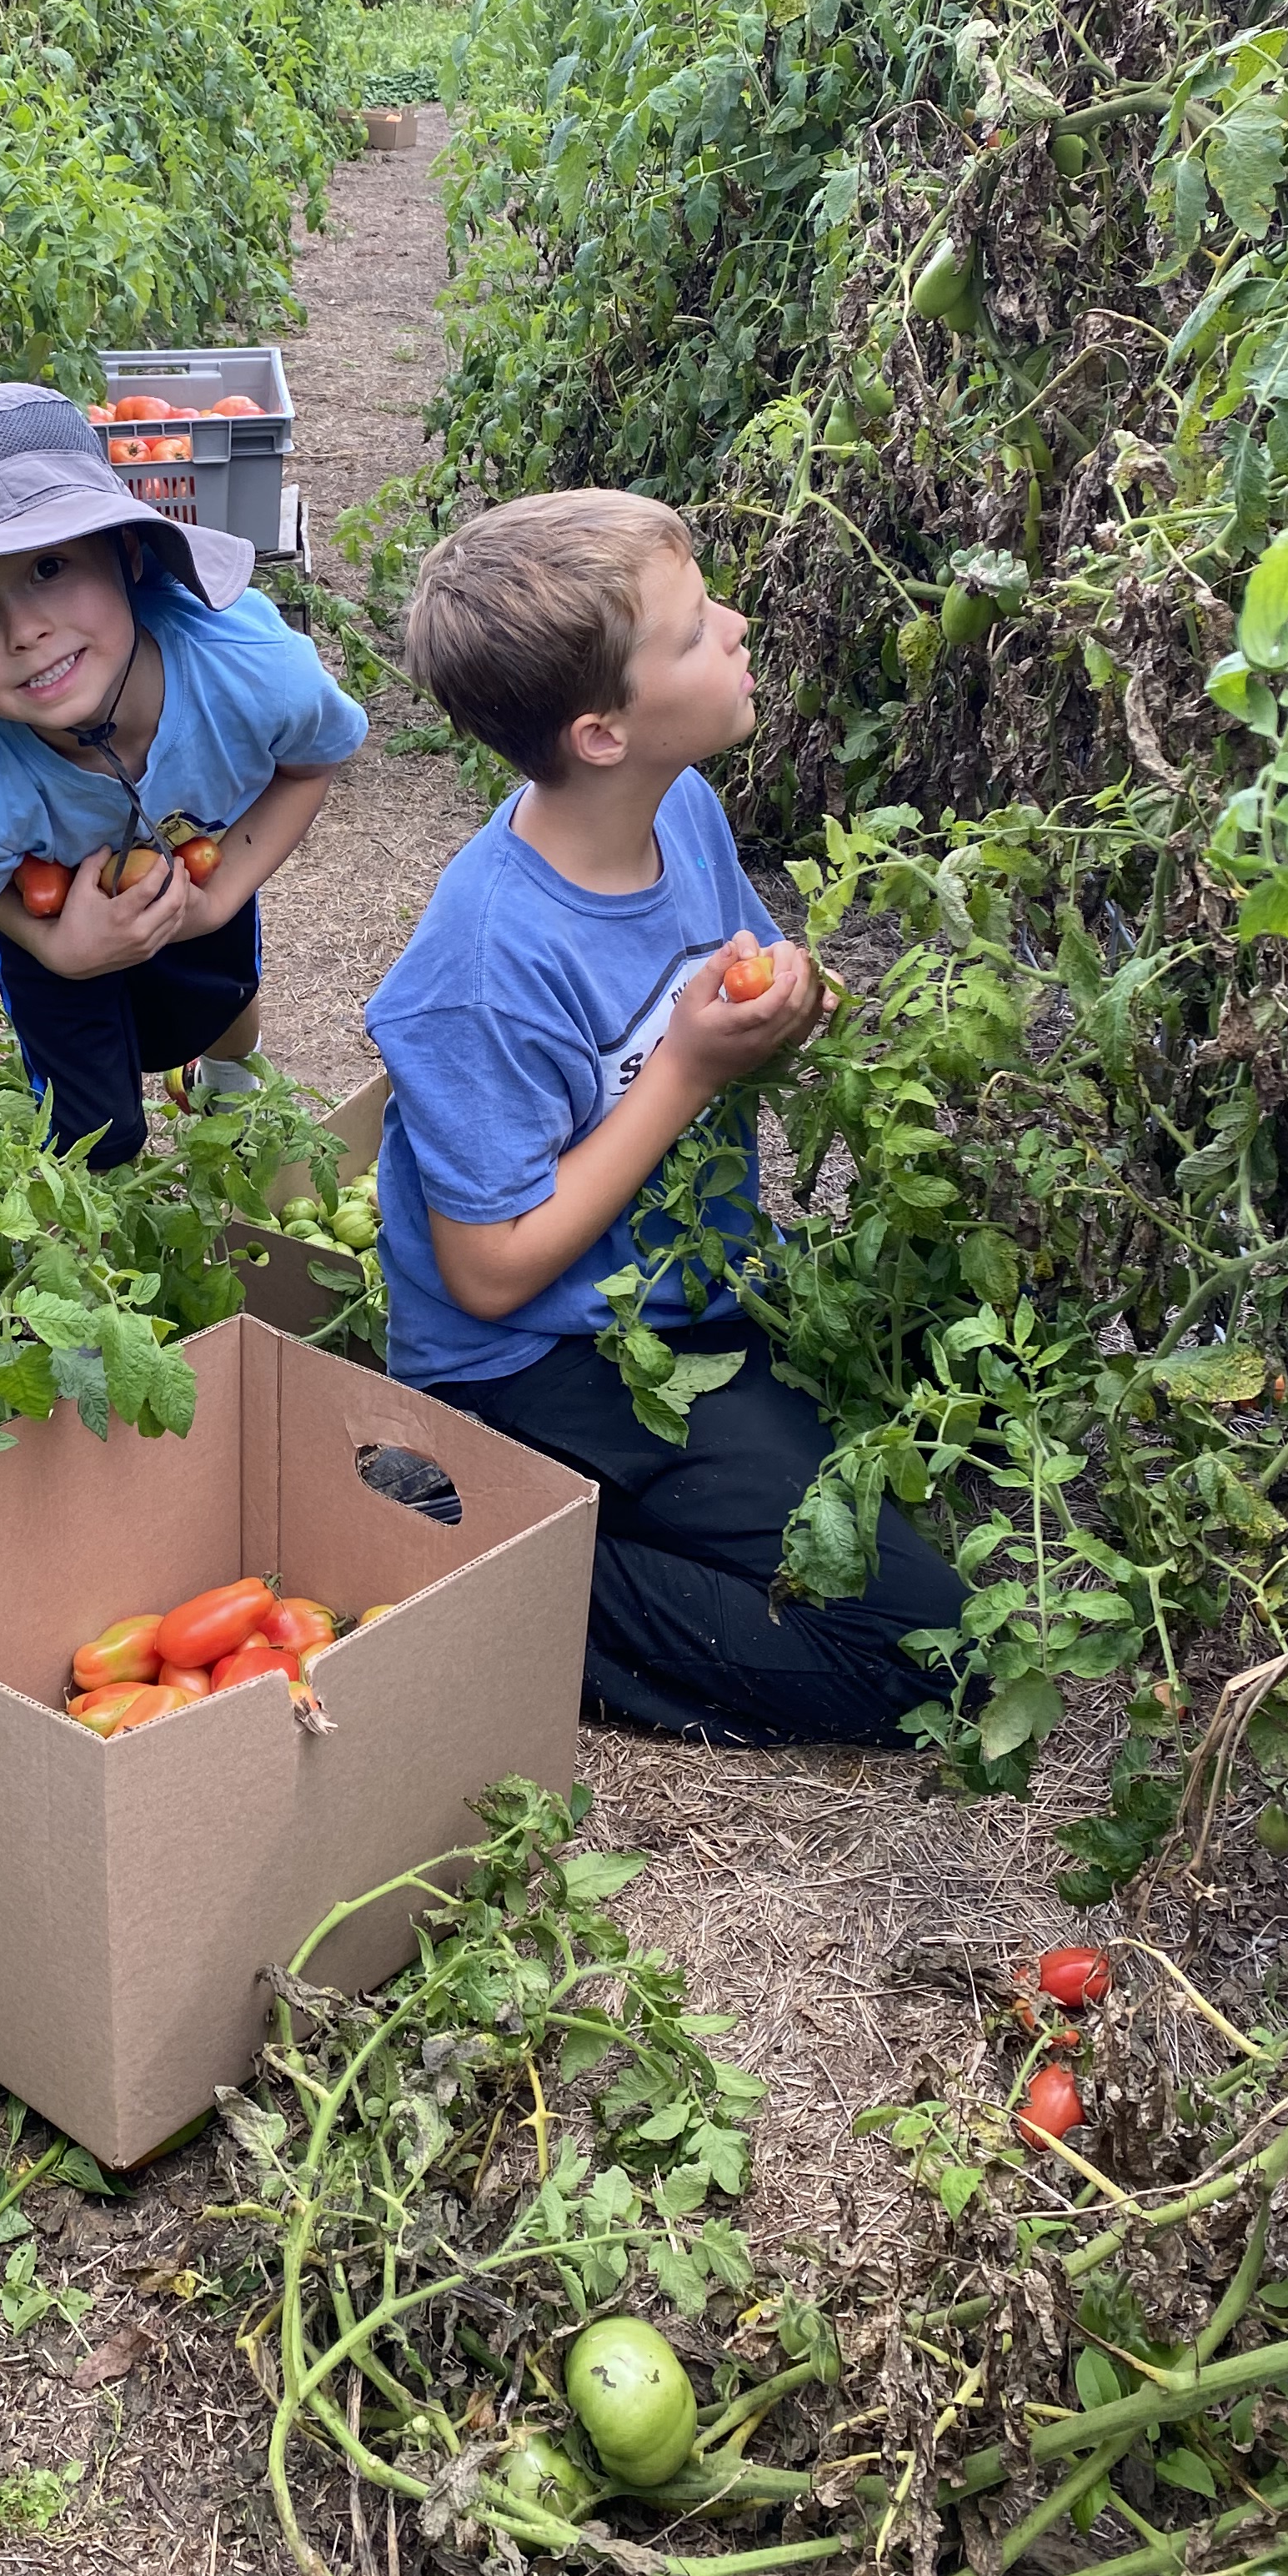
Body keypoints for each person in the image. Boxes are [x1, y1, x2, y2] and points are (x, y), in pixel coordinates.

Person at [363, 487, 966, 1746]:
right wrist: (687, 1072)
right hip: (535, 1362)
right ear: (599, 731)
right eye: (694, 633)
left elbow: (721, 976)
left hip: (680, 1309)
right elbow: (488, 1272)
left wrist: (790, 998)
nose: (739, 628)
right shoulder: (485, 964)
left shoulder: (677, 808)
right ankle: (479, 1571)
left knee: (902, 1577)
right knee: (924, 1656)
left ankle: (543, 1520)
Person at [0, 381, 365, 1166]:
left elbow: (312, 764)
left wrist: (220, 900)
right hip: (56, 916)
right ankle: (104, 1188)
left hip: (198, 860)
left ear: (128, 554)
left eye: (48, 566)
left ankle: (228, 1074)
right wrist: (56, 946)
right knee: (92, 1127)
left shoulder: (255, 672)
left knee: (224, 1002)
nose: (26, 631)